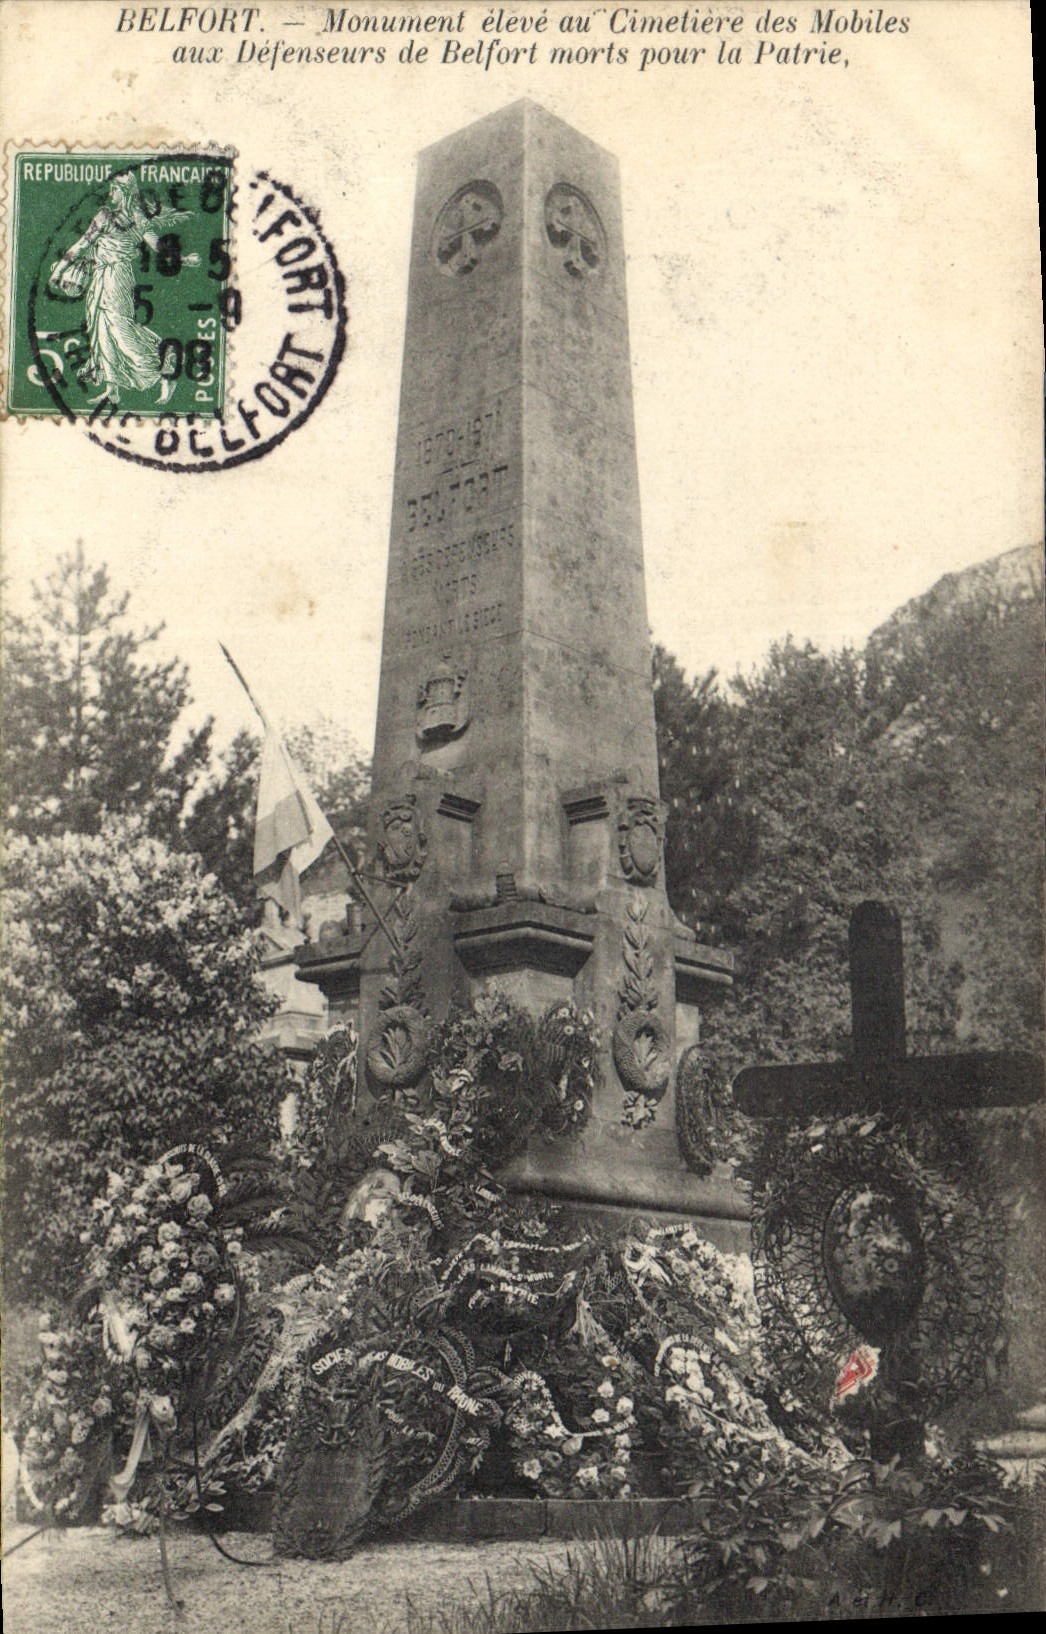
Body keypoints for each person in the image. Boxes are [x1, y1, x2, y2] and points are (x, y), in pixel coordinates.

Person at [48, 170, 199, 405]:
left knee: (120, 329)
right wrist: (58, 272)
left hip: (118, 277)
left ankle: (164, 368)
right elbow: (83, 245)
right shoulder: (110, 216)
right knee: (102, 330)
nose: (111, 193)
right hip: (101, 276)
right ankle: (112, 389)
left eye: (116, 190)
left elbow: (157, 245)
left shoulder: (129, 218)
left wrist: (183, 259)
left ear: (127, 193)